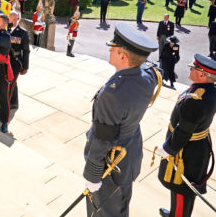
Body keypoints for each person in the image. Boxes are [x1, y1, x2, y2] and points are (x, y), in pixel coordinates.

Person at [83, 23, 160, 217]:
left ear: (123, 56)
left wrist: (92, 174)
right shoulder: (148, 76)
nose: (110, 50)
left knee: (103, 211)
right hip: (130, 155)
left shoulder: (113, 93)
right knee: (121, 206)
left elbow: (103, 138)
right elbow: (151, 66)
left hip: (111, 165)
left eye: (114, 48)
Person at [156, 54, 216, 217]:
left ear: (203, 74)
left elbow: (183, 131)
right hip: (195, 148)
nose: (190, 69)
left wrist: (168, 148)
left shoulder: (196, 100)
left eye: (194, 68)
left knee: (183, 189)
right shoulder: (208, 90)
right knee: (180, 189)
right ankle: (177, 212)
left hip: (186, 152)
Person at [8, 11, 30, 110]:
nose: (9, 20)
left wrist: (25, 67)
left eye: (11, 18)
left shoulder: (22, 33)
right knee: (12, 83)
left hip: (15, 61)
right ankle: (14, 103)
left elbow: (26, 51)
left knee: (9, 84)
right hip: (5, 60)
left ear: (17, 19)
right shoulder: (4, 29)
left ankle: (5, 107)